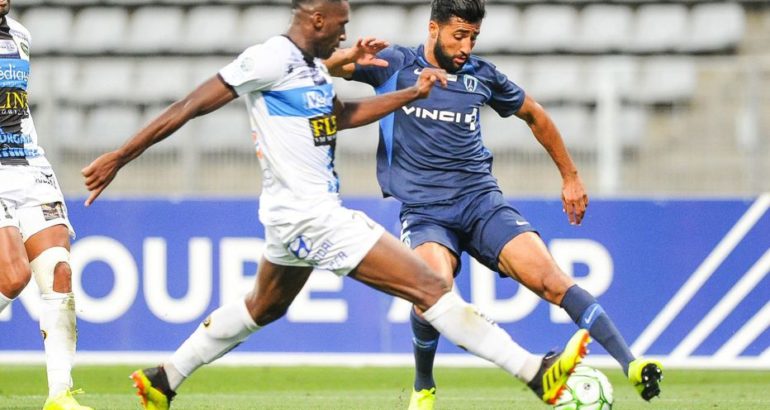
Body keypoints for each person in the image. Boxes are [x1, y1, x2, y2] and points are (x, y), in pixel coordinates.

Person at [81, 0, 591, 408]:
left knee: (264, 306)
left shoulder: (312, 72)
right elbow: (190, 105)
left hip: (290, 218)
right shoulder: (269, 59)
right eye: (341, 25)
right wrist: (121, 156)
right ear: (316, 19)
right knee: (432, 286)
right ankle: (535, 373)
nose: (345, 35)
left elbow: (345, 115)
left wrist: (410, 93)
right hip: (313, 216)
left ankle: (165, 379)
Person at [324, 0, 663, 408]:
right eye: (459, 35)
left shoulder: (481, 76)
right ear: (434, 29)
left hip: (482, 204)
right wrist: (348, 57)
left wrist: (571, 176)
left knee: (552, 280)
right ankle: (424, 386)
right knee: (433, 291)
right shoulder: (394, 62)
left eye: (473, 37)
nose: (467, 46)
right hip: (425, 211)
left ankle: (631, 363)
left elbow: (534, 114)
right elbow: (323, 66)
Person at [0, 2, 92, 410]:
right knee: (14, 278)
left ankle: (60, 395)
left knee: (59, 271)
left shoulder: (21, 35)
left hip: (30, 164)